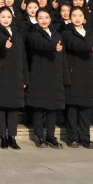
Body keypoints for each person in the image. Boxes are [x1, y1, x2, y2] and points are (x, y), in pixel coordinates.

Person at [0, 7, 27, 149]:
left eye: (8, 16)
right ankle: (2, 136)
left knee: (14, 108)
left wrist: (25, 79)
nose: (6, 19)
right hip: (0, 76)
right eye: (3, 16)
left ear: (12, 17)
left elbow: (23, 58)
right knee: (0, 107)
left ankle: (12, 137)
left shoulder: (18, 35)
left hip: (16, 76)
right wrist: (4, 42)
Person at [25, 10, 69, 148]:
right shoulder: (33, 34)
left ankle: (51, 136)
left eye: (46, 17)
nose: (44, 20)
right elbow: (39, 44)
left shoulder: (57, 35)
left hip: (55, 76)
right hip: (39, 76)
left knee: (52, 109)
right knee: (38, 109)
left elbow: (63, 58)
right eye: (40, 18)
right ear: (36, 19)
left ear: (50, 19)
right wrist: (53, 46)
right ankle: (39, 137)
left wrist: (65, 78)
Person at [61, 7, 93, 149]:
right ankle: (72, 137)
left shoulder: (91, 33)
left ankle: (85, 137)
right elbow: (75, 45)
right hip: (73, 74)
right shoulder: (66, 33)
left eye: (80, 15)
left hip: (88, 75)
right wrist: (90, 47)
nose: (77, 18)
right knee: (72, 109)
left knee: (85, 109)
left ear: (84, 18)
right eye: (74, 15)